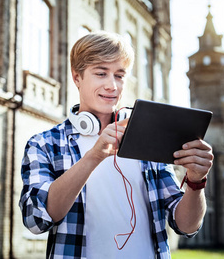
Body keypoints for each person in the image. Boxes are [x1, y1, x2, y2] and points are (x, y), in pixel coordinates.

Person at [19, 31, 213, 259]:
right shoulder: (43, 144)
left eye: (119, 76)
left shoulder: (150, 136)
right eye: (101, 73)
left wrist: (195, 181)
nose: (112, 85)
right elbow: (36, 220)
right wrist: (93, 156)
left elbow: (186, 226)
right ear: (77, 77)